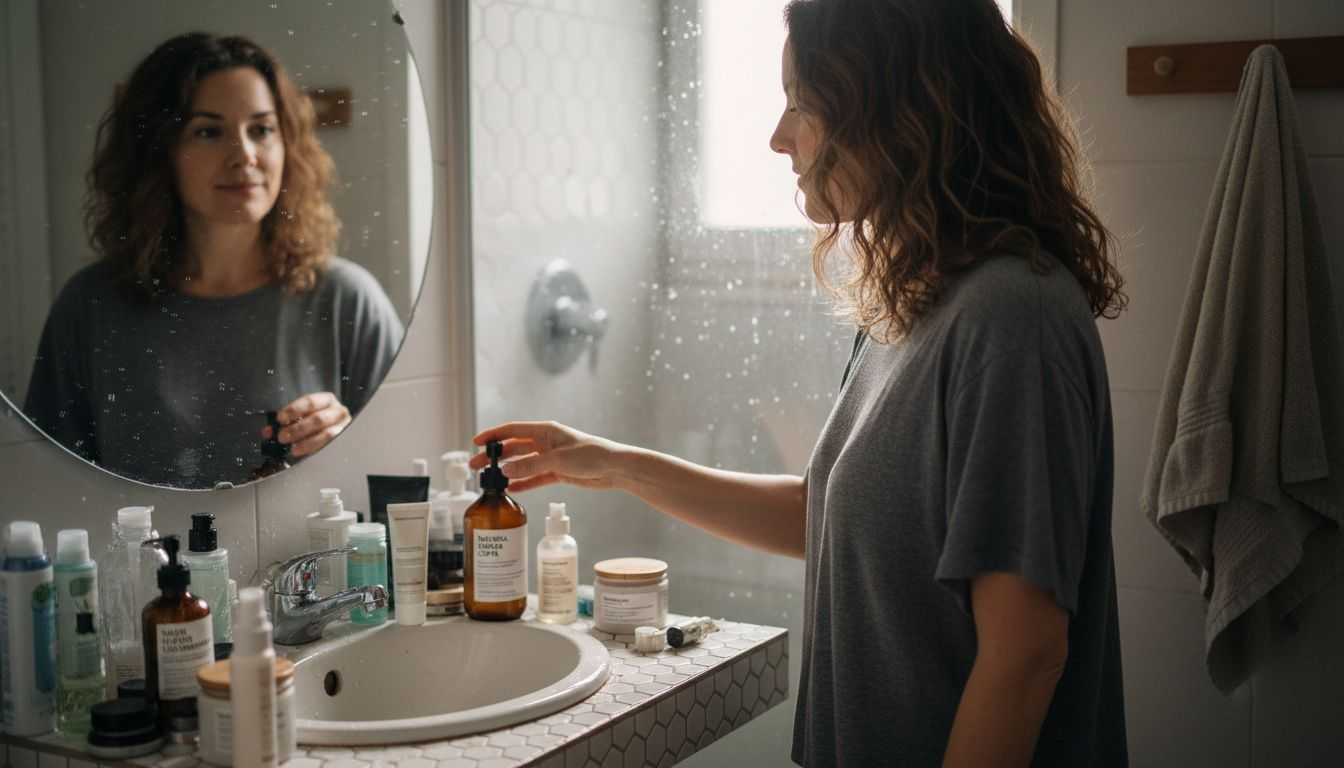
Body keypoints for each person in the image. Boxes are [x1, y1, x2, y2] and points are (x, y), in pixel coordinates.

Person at [471, 0, 1128, 765]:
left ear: (899, 113)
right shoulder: (919, 304)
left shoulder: (1011, 318)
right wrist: (614, 464)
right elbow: (820, 518)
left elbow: (1025, 655)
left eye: (803, 106)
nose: (779, 137)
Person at [24, 32, 403, 489]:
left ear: (287, 143)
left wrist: (348, 444)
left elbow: (404, 467)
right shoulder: (89, 307)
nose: (244, 155)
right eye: (208, 131)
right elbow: (44, 487)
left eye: (261, 129)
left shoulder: (348, 301)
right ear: (159, 151)